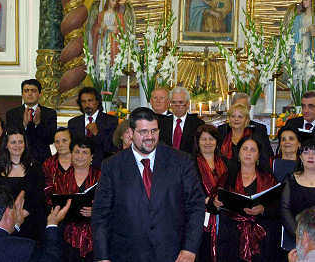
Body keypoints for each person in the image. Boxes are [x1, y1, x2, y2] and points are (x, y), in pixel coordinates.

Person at [92, 107, 205, 262]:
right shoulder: (112, 166)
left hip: (174, 254)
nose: (150, 137)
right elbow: (101, 215)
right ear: (130, 133)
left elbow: (196, 206)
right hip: (126, 254)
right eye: (143, 132)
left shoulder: (181, 161)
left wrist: (190, 248)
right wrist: (102, 257)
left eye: (154, 131)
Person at [0, 185, 71, 262]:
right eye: (14, 209)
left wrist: (16, 224)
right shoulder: (26, 249)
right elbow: (52, 258)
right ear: (8, 212)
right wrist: (52, 225)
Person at [215, 137, 280, 262]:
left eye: (253, 150)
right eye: (244, 149)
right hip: (231, 237)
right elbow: (214, 202)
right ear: (238, 153)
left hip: (261, 238)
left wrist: (263, 210)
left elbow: (278, 208)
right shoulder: (227, 177)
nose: (248, 153)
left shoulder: (269, 179)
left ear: (258, 156)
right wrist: (216, 203)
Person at [0, 128, 46, 242]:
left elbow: (38, 197)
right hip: (2, 223)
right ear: (6, 145)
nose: (17, 145)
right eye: (13, 142)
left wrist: (19, 217)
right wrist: (8, 219)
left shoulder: (35, 168)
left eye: (20, 142)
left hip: (30, 223)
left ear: (25, 144)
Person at [53, 138, 100, 262]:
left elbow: (113, 205)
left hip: (95, 236)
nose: (80, 156)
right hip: (66, 235)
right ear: (71, 154)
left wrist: (96, 211)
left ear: (92, 157)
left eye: (85, 152)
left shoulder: (101, 177)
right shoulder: (60, 178)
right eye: (77, 152)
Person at [194, 124, 228, 262]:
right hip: (201, 217)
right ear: (198, 142)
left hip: (224, 217)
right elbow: (188, 191)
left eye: (211, 139)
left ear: (217, 141)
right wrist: (207, 201)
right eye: (204, 139)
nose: (208, 143)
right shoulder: (190, 163)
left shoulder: (226, 163)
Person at [6, 79, 57, 164]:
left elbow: (50, 139)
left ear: (40, 94)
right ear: (22, 94)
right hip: (19, 158)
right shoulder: (12, 113)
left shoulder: (49, 113)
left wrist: (38, 124)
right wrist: (24, 125)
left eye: (33, 91)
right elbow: (11, 138)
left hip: (42, 160)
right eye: (26, 91)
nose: (29, 94)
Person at [68, 87, 118, 168]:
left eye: (90, 101)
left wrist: (97, 133)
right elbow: (71, 148)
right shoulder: (73, 123)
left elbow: (112, 147)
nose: (87, 104)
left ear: (97, 102)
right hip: (79, 166)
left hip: (102, 167)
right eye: (83, 102)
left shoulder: (110, 121)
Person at [281, 139, 315, 252]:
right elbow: (285, 210)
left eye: (314, 152)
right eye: (306, 152)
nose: (311, 156)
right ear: (300, 157)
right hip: (296, 237)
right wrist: (299, 234)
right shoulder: (290, 180)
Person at [159, 87, 205, 155]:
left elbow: (199, 149)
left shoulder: (198, 124)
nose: (177, 106)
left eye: (181, 102)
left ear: (188, 104)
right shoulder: (162, 123)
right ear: (170, 104)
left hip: (189, 163)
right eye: (174, 102)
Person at [43, 127, 72, 205]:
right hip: (54, 208)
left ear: (72, 141)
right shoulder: (48, 164)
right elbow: (45, 189)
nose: (60, 145)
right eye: (57, 142)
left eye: (64, 141)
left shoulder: (81, 161)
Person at [91, 0, 125, 65]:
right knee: (102, 62)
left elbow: (122, 30)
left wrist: (111, 28)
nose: (114, 3)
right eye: (112, 1)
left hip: (113, 43)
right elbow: (94, 30)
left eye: (115, 1)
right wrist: (100, 28)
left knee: (112, 64)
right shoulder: (101, 15)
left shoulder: (119, 16)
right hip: (102, 42)